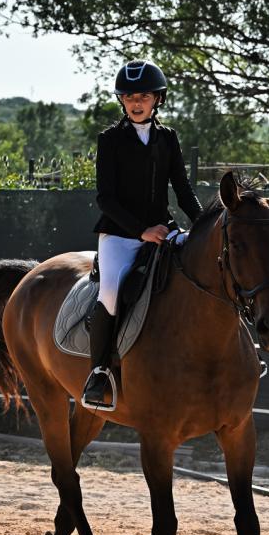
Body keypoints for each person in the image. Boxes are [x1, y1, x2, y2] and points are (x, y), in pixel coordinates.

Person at [82, 59, 203, 410]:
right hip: (120, 235)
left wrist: (202, 225)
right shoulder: (110, 140)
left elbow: (182, 190)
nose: (136, 102)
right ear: (122, 100)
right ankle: (100, 371)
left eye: (144, 96)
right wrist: (141, 230)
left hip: (164, 230)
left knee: (205, 269)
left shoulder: (168, 138)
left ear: (157, 100)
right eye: (130, 96)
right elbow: (105, 198)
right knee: (110, 291)